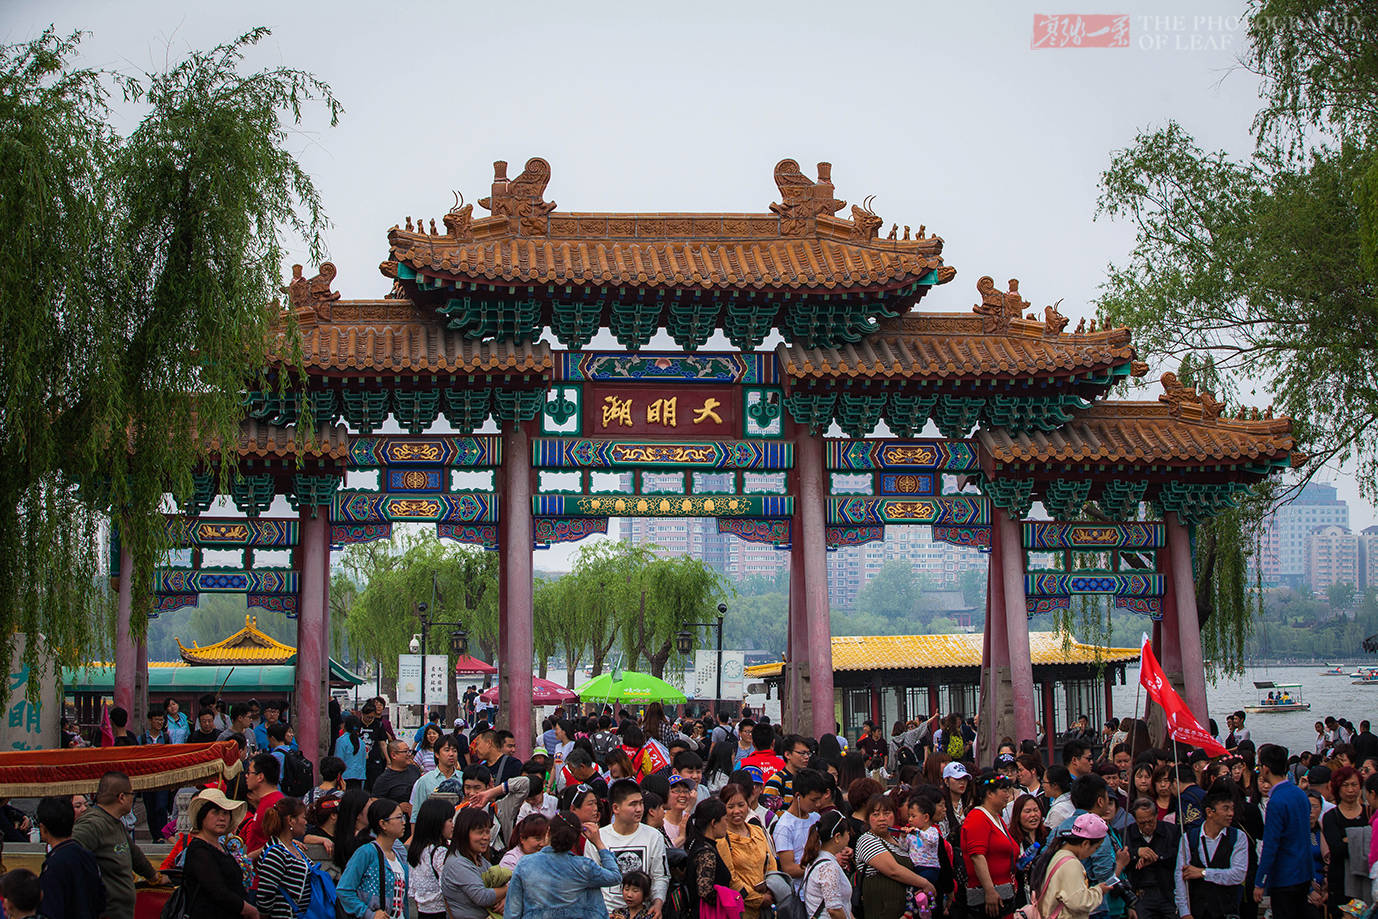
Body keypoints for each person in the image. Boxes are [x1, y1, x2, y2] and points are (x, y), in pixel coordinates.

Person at [71, 771, 166, 919]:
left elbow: (135, 855)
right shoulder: (92, 824)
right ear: (121, 797)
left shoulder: (115, 822)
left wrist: (155, 877)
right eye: (131, 794)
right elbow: (70, 858)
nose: (132, 799)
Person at [505, 810, 623, 918]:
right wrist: (599, 843)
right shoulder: (584, 867)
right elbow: (615, 876)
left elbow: (513, 911)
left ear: (548, 831)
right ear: (575, 839)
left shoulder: (525, 864)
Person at [855, 791, 938, 919]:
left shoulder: (899, 841)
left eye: (887, 813)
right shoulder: (867, 840)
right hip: (881, 912)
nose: (882, 818)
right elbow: (894, 870)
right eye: (876, 814)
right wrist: (925, 884)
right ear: (868, 818)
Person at [1254, 743, 1314, 915]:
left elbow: (1271, 844)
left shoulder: (1276, 801)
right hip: (1304, 872)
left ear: (1265, 768)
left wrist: (1260, 881)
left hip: (1284, 876)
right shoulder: (1300, 794)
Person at [180, 788, 258, 919]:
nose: (222, 818)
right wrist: (249, 910)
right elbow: (217, 891)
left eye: (225, 813)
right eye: (215, 813)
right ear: (202, 816)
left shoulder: (222, 847)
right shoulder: (199, 850)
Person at [1176, 783, 1249, 919]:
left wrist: (1203, 873)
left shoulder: (1238, 837)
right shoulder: (1189, 838)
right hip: (1198, 910)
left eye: (1232, 809)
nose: (1231, 814)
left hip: (1227, 910)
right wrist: (1184, 912)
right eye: (1226, 809)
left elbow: (1238, 874)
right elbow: (1180, 877)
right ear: (1210, 812)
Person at [599, 779, 671, 917]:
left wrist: (657, 903)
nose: (639, 809)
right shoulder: (599, 838)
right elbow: (591, 879)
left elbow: (660, 876)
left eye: (641, 803)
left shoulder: (653, 836)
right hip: (608, 913)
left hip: (643, 913)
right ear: (616, 808)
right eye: (633, 804)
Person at [1035, 813, 1128, 919]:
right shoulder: (1071, 864)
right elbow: (1079, 902)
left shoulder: (1059, 854)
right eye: (1096, 848)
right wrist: (1099, 891)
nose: (1094, 852)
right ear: (1085, 844)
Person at [337, 798, 410, 919]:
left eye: (403, 818)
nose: (403, 822)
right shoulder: (366, 853)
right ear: (383, 824)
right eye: (398, 818)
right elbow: (344, 890)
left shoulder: (398, 855)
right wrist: (369, 914)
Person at [35, 795, 104, 919]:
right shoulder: (87, 856)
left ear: (43, 828)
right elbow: (101, 899)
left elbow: (50, 910)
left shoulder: (53, 865)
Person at [717, 782, 776, 919]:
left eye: (741, 805)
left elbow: (770, 861)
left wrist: (772, 889)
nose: (736, 811)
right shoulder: (722, 839)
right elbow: (731, 879)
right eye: (730, 807)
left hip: (766, 907)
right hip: (740, 909)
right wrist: (758, 899)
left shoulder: (756, 831)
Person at [962, 775, 1018, 919]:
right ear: (989, 793)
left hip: (1005, 891)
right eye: (1003, 790)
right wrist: (989, 890)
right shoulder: (978, 817)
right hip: (988, 895)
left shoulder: (997, 818)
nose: (1008, 795)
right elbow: (977, 856)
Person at [254, 797, 317, 919]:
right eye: (303, 818)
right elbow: (265, 896)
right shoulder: (275, 853)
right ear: (291, 820)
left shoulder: (292, 846)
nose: (306, 822)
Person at [441, 807, 503, 918]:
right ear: (464, 833)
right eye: (480, 833)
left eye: (487, 832)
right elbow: (482, 897)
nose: (486, 837)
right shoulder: (457, 864)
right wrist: (509, 889)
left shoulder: (480, 860)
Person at [1123, 797, 1180, 919]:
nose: (1147, 827)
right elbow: (1121, 861)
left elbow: (1178, 857)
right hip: (1140, 893)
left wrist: (1156, 857)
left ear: (1156, 816)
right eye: (1142, 823)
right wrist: (1136, 853)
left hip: (1167, 891)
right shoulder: (1125, 834)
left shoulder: (1172, 831)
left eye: (1150, 822)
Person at [772, 768, 827, 883]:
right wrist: (822, 867)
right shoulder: (784, 826)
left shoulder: (816, 818)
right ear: (798, 796)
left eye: (819, 799)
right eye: (813, 800)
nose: (818, 804)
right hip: (800, 892)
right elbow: (789, 868)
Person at [683, 797, 734, 914]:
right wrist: (730, 900)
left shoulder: (698, 844)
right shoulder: (706, 852)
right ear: (714, 823)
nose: (727, 824)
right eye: (725, 820)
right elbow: (704, 891)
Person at [801, 809, 855, 919]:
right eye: (847, 833)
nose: (849, 837)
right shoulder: (828, 867)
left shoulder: (817, 859)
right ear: (837, 837)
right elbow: (834, 910)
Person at [407, 798, 455, 919]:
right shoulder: (439, 852)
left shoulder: (417, 850)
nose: (453, 825)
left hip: (422, 912)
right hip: (441, 912)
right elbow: (447, 888)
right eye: (450, 820)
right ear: (437, 823)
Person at [241, 751, 285, 857]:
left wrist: (250, 857)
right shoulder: (265, 801)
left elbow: (280, 843)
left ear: (260, 777)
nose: (246, 776)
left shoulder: (274, 803)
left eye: (250, 772)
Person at [373, 739, 422, 828]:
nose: (409, 754)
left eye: (409, 751)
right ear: (393, 755)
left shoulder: (414, 770)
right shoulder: (384, 779)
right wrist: (398, 807)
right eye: (405, 751)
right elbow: (375, 804)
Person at [410, 735, 463, 813]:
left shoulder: (463, 778)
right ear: (437, 754)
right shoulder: (424, 781)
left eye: (454, 751)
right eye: (447, 750)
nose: (451, 754)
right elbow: (416, 814)